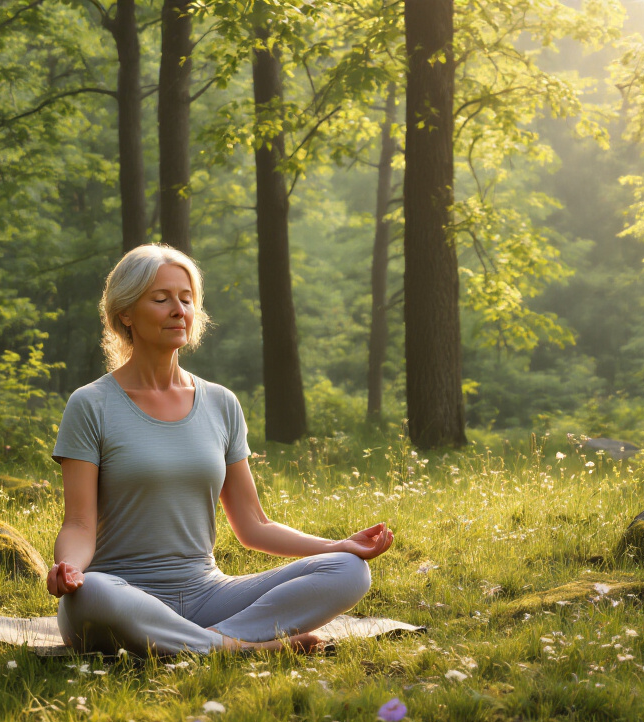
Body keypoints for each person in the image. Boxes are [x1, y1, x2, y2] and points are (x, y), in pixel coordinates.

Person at [47, 244, 394, 655]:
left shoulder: (220, 403)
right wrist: (69, 568)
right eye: (161, 299)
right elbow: (79, 524)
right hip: (121, 596)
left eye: (186, 299)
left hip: (207, 596)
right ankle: (243, 648)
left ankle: (203, 643)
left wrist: (338, 545)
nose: (178, 310)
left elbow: (254, 525)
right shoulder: (91, 404)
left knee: (349, 571)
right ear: (125, 313)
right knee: (92, 593)